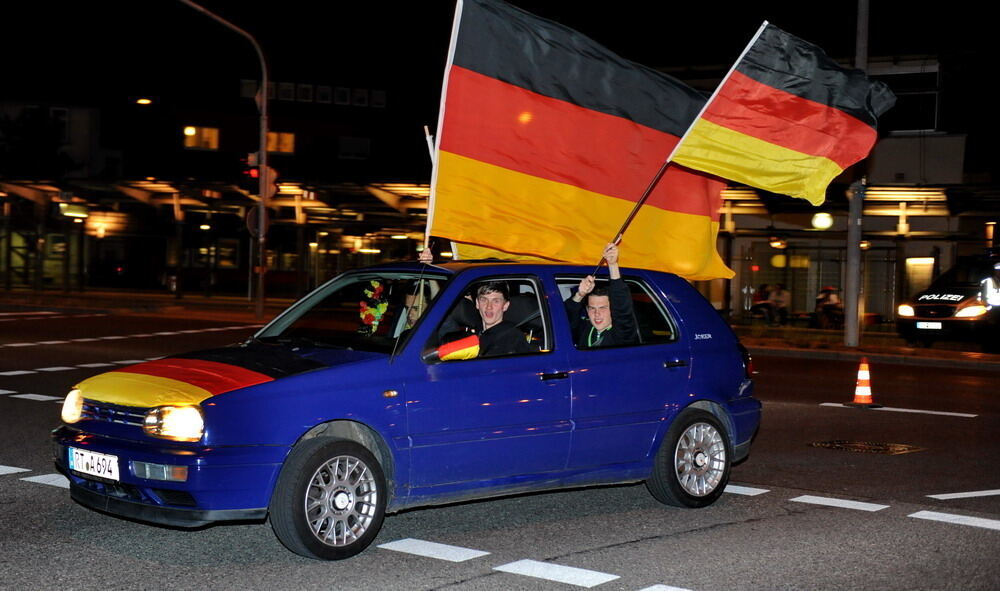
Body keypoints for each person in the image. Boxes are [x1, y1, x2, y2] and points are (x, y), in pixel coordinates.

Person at [564, 243, 637, 348]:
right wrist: (579, 295)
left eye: (603, 308)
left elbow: (622, 311)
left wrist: (612, 265)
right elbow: (563, 319)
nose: (597, 314)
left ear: (612, 309)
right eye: (592, 308)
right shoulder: (585, 329)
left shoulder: (622, 335)